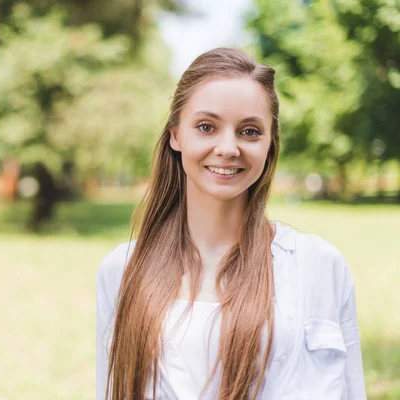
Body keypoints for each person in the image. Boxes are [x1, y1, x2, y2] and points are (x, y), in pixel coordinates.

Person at [96, 48, 366, 400]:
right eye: (206, 127)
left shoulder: (319, 265)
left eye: (250, 131)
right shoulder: (122, 270)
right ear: (176, 134)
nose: (228, 148)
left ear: (270, 144)